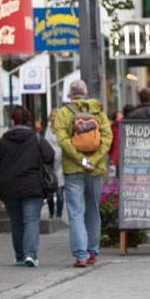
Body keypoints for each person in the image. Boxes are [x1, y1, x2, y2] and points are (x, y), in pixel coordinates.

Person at [54, 79, 113, 268]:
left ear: (70, 94)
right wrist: (92, 160)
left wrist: (80, 160)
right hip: (95, 170)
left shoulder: (64, 113)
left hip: (73, 170)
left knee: (76, 212)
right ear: (86, 93)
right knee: (92, 210)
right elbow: (107, 138)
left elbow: (63, 140)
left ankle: (81, 255)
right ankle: (92, 251)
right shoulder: (98, 111)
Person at [0, 105, 54, 267]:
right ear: (29, 121)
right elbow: (50, 155)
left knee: (16, 222)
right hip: (33, 186)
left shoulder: (4, 141)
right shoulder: (36, 139)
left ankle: (19, 256)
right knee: (31, 220)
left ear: (12, 121)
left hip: (9, 188)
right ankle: (30, 255)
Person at [42, 108, 64, 219]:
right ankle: (51, 213)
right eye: (52, 115)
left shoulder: (62, 131)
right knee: (50, 192)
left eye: (56, 115)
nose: (53, 117)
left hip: (60, 165)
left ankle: (59, 215)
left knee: (59, 193)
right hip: (48, 166)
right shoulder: (44, 130)